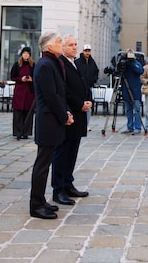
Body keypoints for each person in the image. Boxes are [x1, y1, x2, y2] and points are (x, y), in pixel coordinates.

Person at [30, 32, 73, 219]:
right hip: (48, 119)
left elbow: (59, 93)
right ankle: (36, 205)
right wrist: (64, 115)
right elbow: (51, 96)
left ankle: (41, 199)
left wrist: (66, 112)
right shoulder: (45, 64)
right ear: (49, 47)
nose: (61, 43)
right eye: (58, 41)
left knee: (46, 163)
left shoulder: (52, 62)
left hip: (53, 118)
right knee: (42, 164)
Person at [52, 35, 92, 205]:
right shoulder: (60, 64)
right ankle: (58, 189)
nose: (75, 47)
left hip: (79, 114)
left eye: (76, 44)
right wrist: (79, 104)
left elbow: (83, 84)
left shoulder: (75, 62)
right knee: (62, 153)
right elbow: (64, 91)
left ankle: (68, 184)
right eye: (70, 45)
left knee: (72, 152)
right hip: (68, 113)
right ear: (63, 47)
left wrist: (87, 101)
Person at [10, 47, 35, 140]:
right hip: (20, 91)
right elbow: (13, 76)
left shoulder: (33, 65)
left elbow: (36, 76)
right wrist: (21, 79)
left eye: (27, 53)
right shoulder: (17, 65)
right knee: (18, 112)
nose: (26, 55)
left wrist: (31, 79)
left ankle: (26, 132)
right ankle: (18, 132)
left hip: (29, 92)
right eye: (24, 53)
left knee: (28, 112)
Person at [74, 44, 99, 131]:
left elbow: (96, 72)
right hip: (80, 87)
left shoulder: (92, 62)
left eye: (89, 51)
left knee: (88, 105)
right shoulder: (78, 62)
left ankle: (87, 124)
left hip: (89, 87)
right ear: (83, 51)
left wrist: (94, 80)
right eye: (86, 51)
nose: (87, 52)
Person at [119, 49, 144, 135]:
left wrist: (132, 63)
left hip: (135, 91)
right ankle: (130, 127)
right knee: (128, 110)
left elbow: (140, 71)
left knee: (136, 110)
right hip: (126, 91)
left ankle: (137, 127)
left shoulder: (136, 62)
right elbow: (118, 71)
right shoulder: (124, 63)